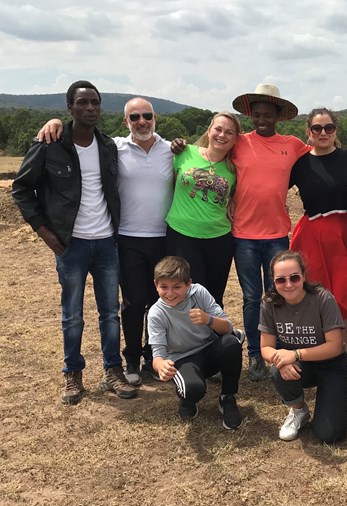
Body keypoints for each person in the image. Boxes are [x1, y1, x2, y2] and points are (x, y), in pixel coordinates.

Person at [12, 80, 136, 404]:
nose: (90, 108)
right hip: (72, 246)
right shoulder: (49, 144)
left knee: (111, 313)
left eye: (95, 102)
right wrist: (46, 233)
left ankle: (113, 371)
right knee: (73, 315)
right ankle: (72, 374)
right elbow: (21, 190)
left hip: (107, 243)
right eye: (82, 103)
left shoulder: (107, 146)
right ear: (70, 108)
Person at [35, 98, 175, 385]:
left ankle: (153, 355)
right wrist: (56, 123)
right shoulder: (115, 148)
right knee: (133, 302)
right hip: (126, 237)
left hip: (163, 236)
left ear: (155, 118)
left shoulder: (172, 149)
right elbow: (80, 139)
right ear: (126, 122)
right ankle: (131, 360)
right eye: (134, 117)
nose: (142, 122)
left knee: (157, 301)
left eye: (147, 115)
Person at [230, 83, 312, 381]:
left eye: (268, 114)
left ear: (278, 116)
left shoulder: (291, 144)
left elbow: (324, 152)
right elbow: (208, 151)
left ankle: (279, 351)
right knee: (252, 298)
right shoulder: (238, 142)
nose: (261, 119)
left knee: (278, 295)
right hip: (243, 235)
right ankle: (255, 353)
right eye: (257, 114)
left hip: (277, 234)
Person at [288, 107, 347, 383]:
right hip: (314, 235)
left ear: (336, 130)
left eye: (329, 128)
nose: (323, 133)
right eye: (317, 128)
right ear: (308, 131)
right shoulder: (299, 164)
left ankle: (341, 350)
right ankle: (318, 349)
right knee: (317, 295)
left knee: (343, 294)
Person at [259, 250, 347, 443]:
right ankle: (299, 411)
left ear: (303, 276)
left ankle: (340, 394)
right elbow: (266, 348)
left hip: (332, 364)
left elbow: (335, 346)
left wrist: (294, 354)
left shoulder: (322, 298)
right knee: (277, 369)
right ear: (273, 282)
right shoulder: (269, 303)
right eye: (280, 280)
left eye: (294, 277)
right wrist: (281, 360)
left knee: (328, 435)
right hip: (302, 366)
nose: (289, 284)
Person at [148, 256, 244, 429]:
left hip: (208, 350)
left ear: (188, 284)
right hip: (182, 358)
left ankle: (227, 397)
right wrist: (161, 365)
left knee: (231, 342)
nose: (170, 293)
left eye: (177, 287)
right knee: (192, 390)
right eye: (164, 287)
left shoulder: (198, 292)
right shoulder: (156, 313)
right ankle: (187, 399)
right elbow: (157, 355)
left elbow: (227, 328)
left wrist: (209, 320)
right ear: (156, 284)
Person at [165, 112, 239, 309]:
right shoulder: (183, 152)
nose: (222, 135)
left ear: (235, 139)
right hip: (181, 234)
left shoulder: (235, 168)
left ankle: (215, 339)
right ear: (209, 131)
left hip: (219, 239)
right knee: (190, 295)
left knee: (214, 298)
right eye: (218, 129)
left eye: (229, 132)